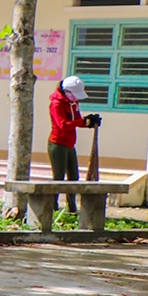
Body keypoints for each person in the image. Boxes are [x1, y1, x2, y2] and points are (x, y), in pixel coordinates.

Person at [48, 75, 96, 215]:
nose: (77, 98)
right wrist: (83, 120)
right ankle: (52, 207)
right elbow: (63, 125)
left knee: (73, 177)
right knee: (59, 177)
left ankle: (72, 208)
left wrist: (88, 123)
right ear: (67, 92)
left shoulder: (74, 103)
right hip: (57, 144)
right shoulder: (56, 104)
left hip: (69, 144)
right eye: (75, 95)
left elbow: (76, 121)